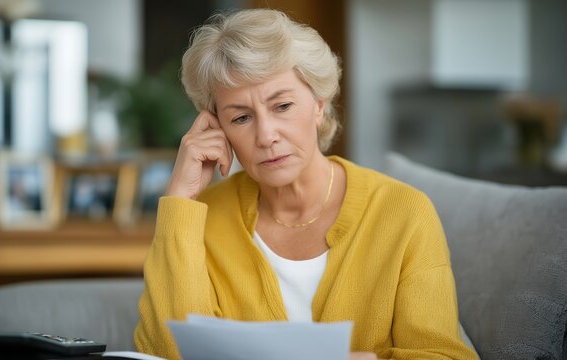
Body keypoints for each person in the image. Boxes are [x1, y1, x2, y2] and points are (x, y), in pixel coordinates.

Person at [134, 8, 477, 360]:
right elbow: (165, 353)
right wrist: (179, 200)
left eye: (282, 105)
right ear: (217, 128)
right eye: (241, 117)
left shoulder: (404, 213)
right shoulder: (202, 218)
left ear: (318, 104)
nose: (266, 136)